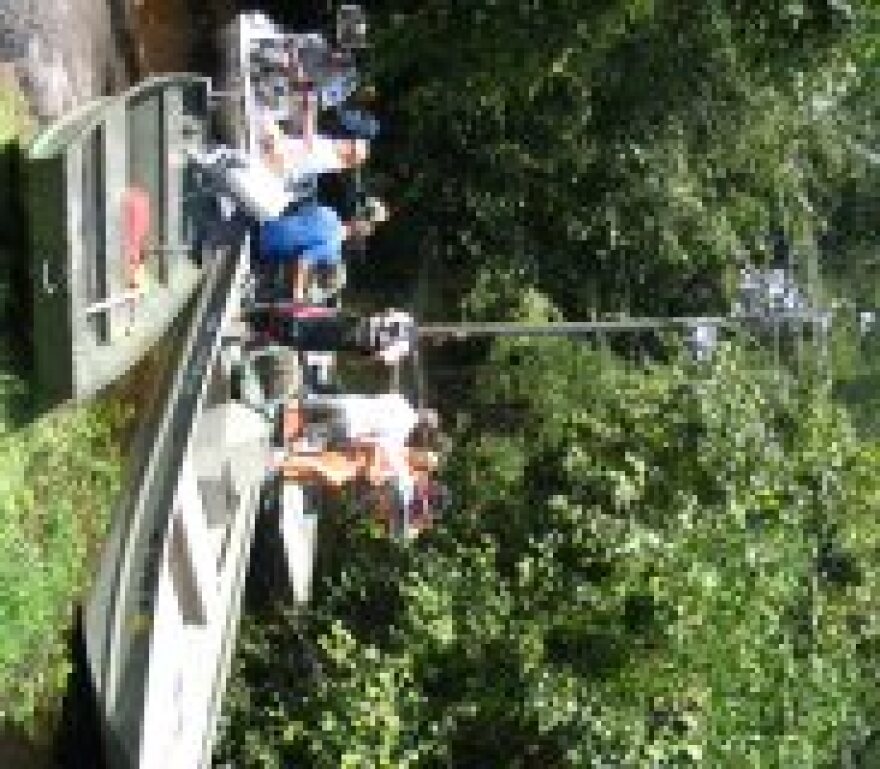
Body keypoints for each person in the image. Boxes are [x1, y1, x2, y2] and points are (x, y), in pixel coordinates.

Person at [258, 196, 388, 300]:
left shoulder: (328, 211)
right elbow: (303, 261)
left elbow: (298, 211)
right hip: (264, 247)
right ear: (354, 240)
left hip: (265, 226)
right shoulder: (332, 247)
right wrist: (298, 296)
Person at [244, 305, 415, 365]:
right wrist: (358, 360)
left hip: (355, 322)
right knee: (306, 340)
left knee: (309, 320)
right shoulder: (404, 348)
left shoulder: (407, 318)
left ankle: (255, 318)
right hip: (351, 341)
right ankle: (259, 333)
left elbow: (387, 310)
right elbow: (378, 356)